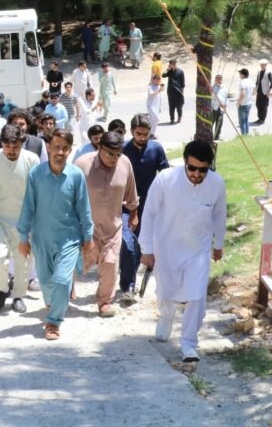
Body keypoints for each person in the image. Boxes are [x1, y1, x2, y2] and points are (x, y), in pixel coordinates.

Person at [139, 140, 226, 363]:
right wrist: (147, 249)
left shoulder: (217, 184)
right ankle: (166, 316)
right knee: (165, 291)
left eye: (202, 170)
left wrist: (218, 244)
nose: (197, 174)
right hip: (165, 246)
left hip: (198, 249)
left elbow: (219, 216)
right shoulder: (165, 179)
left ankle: (189, 343)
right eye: (192, 168)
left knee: (196, 295)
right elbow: (149, 213)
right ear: (185, 163)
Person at [17, 129, 95, 340]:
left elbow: (84, 209)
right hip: (41, 240)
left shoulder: (76, 175)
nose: (60, 152)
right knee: (46, 282)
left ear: (70, 150)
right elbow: (28, 207)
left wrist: (88, 238)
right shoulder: (36, 174)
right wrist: (23, 239)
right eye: (57, 147)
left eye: (65, 148)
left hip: (69, 239)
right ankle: (54, 304)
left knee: (61, 280)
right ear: (48, 147)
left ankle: (53, 322)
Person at [75, 131, 139, 317]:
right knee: (79, 264)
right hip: (86, 227)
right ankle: (66, 288)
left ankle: (104, 302)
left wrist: (134, 213)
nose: (114, 158)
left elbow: (131, 192)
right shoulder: (82, 164)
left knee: (110, 264)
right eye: (110, 153)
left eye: (118, 154)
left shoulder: (125, 163)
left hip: (113, 226)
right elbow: (69, 194)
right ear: (99, 148)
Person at [0, 124, 39, 313]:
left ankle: (18, 296)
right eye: (7, 146)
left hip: (24, 221)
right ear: (1, 143)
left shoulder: (32, 159)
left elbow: (37, 191)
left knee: (22, 261)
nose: (11, 150)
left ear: (22, 143)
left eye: (15, 146)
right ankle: (2, 289)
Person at [119, 114, 169, 301]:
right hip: (126, 206)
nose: (142, 137)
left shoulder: (156, 149)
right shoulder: (122, 150)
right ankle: (128, 287)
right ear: (132, 132)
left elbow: (165, 176)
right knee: (129, 245)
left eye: (145, 134)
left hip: (150, 207)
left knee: (144, 245)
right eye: (138, 134)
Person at [162, 59, 185, 124]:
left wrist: (182, 93)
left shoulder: (180, 71)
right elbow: (163, 75)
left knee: (179, 106)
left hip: (178, 92)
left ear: (175, 64)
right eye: (170, 64)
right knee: (171, 106)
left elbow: (183, 83)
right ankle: (172, 119)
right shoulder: (169, 71)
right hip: (170, 91)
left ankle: (179, 118)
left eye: (172, 64)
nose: (171, 65)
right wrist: (167, 69)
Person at [255, 59, 272, 125]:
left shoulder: (268, 73)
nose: (262, 66)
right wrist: (255, 90)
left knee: (264, 106)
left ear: (266, 65)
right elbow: (257, 82)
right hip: (259, 91)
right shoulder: (259, 72)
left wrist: (269, 92)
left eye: (263, 65)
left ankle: (263, 119)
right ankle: (259, 118)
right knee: (258, 105)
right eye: (261, 65)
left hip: (265, 92)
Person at [237, 67, 253, 135]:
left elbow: (243, 94)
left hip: (243, 104)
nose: (239, 75)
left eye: (240, 74)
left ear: (243, 75)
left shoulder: (242, 82)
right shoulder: (251, 81)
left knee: (242, 122)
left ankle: (244, 135)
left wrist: (238, 102)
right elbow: (254, 92)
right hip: (249, 103)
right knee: (246, 120)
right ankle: (247, 135)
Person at [211, 74, 227, 141]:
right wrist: (220, 103)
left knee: (219, 123)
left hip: (221, 108)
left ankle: (216, 137)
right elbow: (213, 96)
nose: (219, 81)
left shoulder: (224, 87)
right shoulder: (213, 87)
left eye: (220, 79)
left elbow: (226, 97)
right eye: (217, 79)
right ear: (215, 80)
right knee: (211, 122)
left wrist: (225, 106)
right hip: (214, 108)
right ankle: (209, 137)